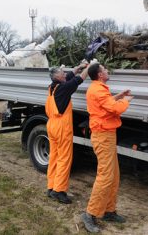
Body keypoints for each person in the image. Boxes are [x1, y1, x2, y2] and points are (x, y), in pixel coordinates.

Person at [81, 63, 133, 233]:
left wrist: (119, 96)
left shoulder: (98, 88)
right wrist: (125, 101)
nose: (107, 71)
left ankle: (109, 210)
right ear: (99, 74)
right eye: (104, 69)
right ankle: (90, 214)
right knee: (105, 176)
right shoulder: (98, 89)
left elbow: (107, 103)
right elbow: (114, 108)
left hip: (107, 135)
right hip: (103, 136)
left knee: (114, 175)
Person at [46, 62, 90, 204]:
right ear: (57, 77)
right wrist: (90, 67)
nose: (65, 74)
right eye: (62, 73)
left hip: (52, 125)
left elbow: (71, 75)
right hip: (61, 128)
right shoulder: (63, 88)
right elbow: (79, 79)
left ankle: (51, 186)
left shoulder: (53, 87)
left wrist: (80, 66)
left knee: (54, 157)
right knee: (64, 159)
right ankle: (59, 191)